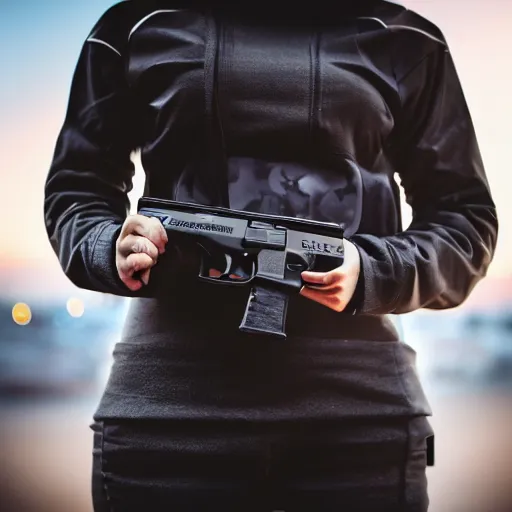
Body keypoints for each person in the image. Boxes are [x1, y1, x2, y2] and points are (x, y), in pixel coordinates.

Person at [43, 0, 498, 510]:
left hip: (359, 418)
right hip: (168, 412)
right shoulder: (137, 25)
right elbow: (76, 194)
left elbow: (466, 222)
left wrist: (370, 271)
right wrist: (112, 247)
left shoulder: (408, 40)